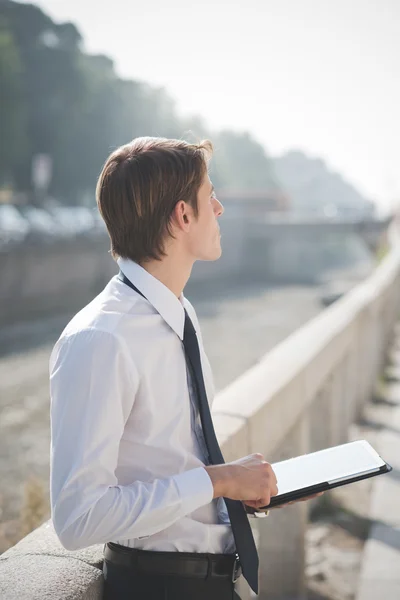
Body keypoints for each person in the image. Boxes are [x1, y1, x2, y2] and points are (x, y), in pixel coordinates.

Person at [49, 137, 320, 600]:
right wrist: (221, 479)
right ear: (183, 216)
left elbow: (171, 463)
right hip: (159, 587)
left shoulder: (181, 314)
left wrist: (235, 489)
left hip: (215, 579)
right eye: (209, 195)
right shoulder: (101, 339)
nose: (220, 208)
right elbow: (78, 518)